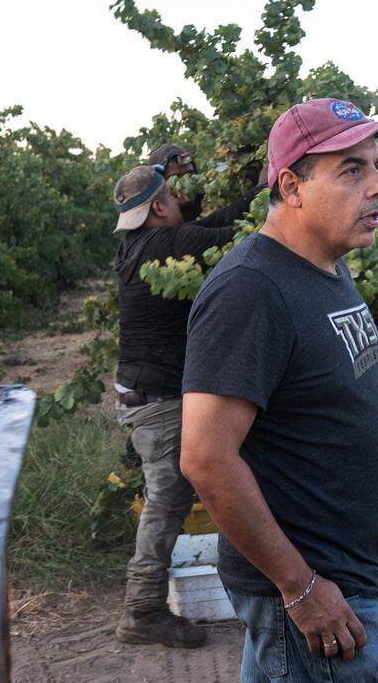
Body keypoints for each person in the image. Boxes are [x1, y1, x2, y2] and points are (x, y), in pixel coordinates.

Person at [180, 98, 378, 682]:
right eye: (352, 170)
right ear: (292, 185)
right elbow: (205, 457)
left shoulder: (327, 263)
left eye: (376, 165)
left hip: (348, 580)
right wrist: (301, 588)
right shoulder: (251, 290)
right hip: (317, 598)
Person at [111, 159, 264, 648]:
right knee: (167, 502)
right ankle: (142, 611)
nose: (180, 202)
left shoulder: (135, 246)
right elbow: (220, 232)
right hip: (157, 403)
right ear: (158, 207)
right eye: (172, 196)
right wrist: (263, 194)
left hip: (139, 393)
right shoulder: (164, 244)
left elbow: (198, 225)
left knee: (173, 497)